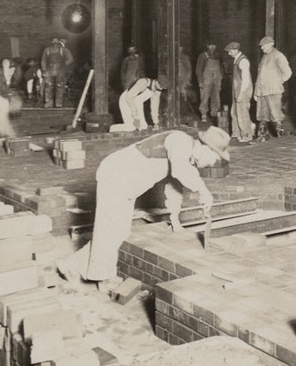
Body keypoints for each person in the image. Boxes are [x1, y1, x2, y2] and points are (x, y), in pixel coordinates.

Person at [64, 125, 229, 286]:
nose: (210, 164)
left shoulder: (184, 154)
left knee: (119, 231)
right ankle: (104, 278)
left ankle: (72, 265)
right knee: (111, 229)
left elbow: (174, 186)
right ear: (206, 148)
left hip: (125, 184)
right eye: (213, 159)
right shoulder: (180, 141)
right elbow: (180, 171)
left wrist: (175, 221)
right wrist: (203, 190)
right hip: (116, 175)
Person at [253, 35, 292, 141]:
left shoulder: (278, 55)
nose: (261, 48)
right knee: (262, 114)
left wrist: (277, 82)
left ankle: (281, 137)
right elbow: (260, 75)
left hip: (273, 91)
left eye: (263, 45)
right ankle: (262, 135)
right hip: (262, 91)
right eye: (261, 46)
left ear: (271, 44)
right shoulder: (264, 57)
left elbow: (288, 73)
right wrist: (256, 92)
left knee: (275, 114)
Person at [225, 42, 254, 143]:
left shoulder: (243, 61)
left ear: (235, 50)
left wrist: (241, 93)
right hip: (236, 89)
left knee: (242, 112)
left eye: (230, 51)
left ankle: (247, 135)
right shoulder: (236, 60)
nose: (229, 53)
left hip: (243, 90)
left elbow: (245, 80)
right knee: (234, 112)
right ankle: (236, 134)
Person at [40, 37, 73, 108]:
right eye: (53, 40)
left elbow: (70, 59)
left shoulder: (64, 50)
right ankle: (48, 103)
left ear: (58, 41)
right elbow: (43, 60)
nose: (55, 42)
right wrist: (44, 70)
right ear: (51, 41)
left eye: (56, 40)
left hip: (60, 69)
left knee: (60, 86)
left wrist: (64, 64)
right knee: (48, 86)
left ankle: (58, 103)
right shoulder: (47, 50)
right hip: (49, 69)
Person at [195, 42, 224, 124]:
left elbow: (221, 68)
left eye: (214, 45)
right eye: (210, 45)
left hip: (216, 80)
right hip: (206, 80)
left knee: (216, 98)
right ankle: (203, 114)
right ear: (207, 46)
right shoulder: (203, 56)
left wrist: (221, 77)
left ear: (216, 46)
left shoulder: (218, 56)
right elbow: (198, 70)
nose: (212, 47)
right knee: (204, 97)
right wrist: (200, 81)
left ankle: (214, 114)